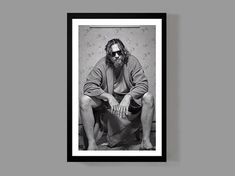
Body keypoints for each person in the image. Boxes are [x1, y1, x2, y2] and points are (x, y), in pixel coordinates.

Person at [80, 38, 155, 150]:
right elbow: (88, 86)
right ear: (108, 56)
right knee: (84, 100)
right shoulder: (102, 64)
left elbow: (143, 85)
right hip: (108, 106)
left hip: (130, 104)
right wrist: (108, 97)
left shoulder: (132, 61)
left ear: (124, 52)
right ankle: (92, 143)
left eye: (119, 52)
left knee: (148, 97)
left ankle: (146, 141)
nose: (116, 56)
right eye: (112, 53)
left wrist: (128, 96)